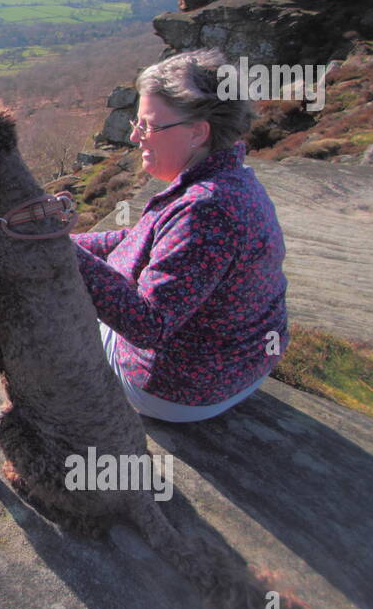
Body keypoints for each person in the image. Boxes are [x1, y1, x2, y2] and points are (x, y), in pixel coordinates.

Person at [70, 48, 290, 422]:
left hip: (178, 390)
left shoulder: (206, 209)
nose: (135, 136)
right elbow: (143, 238)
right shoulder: (226, 179)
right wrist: (64, 243)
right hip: (237, 364)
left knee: (53, 308)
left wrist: (54, 251)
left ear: (197, 132)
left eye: (148, 125)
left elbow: (147, 324)